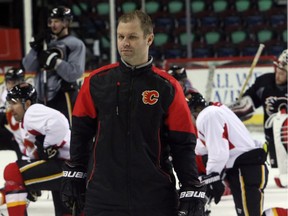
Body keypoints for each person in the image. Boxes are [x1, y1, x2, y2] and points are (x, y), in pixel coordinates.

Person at [61, 10, 206, 216]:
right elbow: (80, 133)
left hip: (155, 197)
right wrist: (75, 170)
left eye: (132, 37)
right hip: (103, 196)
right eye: (121, 37)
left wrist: (190, 186)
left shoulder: (168, 87)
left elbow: (183, 143)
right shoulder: (96, 82)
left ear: (149, 39)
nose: (124, 43)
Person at [188, 92, 268, 216]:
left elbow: (219, 151)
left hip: (246, 168)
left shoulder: (208, 115)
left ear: (193, 111)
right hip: (245, 167)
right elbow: (204, 149)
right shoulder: (215, 111)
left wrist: (212, 176)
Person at [0, 83, 71, 216]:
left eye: (14, 103)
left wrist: (47, 147)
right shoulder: (27, 123)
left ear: (27, 103)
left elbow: (61, 123)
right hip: (72, 167)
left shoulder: (32, 112)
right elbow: (32, 155)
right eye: (9, 103)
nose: (11, 108)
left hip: (69, 166)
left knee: (12, 172)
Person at [22, 5, 86, 125]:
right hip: (41, 96)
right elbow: (28, 67)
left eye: (57, 21)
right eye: (51, 21)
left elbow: (74, 73)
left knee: (66, 132)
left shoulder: (75, 44)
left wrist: (55, 62)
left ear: (66, 22)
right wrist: (36, 48)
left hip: (64, 95)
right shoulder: (46, 43)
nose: (53, 25)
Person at [229, 49, 288, 168]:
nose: (277, 75)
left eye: (282, 73)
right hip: (273, 139)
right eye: (277, 71)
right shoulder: (264, 82)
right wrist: (239, 105)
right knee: (279, 173)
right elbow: (248, 103)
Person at [0, 68, 25, 160]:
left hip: (24, 134)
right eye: (9, 82)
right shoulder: (3, 93)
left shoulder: (27, 94)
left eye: (14, 82)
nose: (11, 86)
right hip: (11, 132)